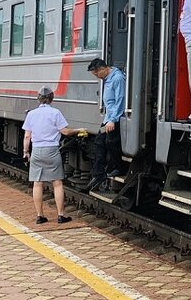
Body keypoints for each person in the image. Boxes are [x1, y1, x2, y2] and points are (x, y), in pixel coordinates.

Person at [22, 86, 83, 224]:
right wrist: (79, 130)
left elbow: (27, 136)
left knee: (37, 184)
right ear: (52, 99)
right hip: (52, 150)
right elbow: (65, 132)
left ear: (38, 99)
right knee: (57, 183)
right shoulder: (56, 113)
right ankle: (61, 215)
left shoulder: (31, 114)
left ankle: (40, 216)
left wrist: (26, 152)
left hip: (37, 150)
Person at [86, 58, 125, 191]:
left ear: (102, 69)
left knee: (111, 142)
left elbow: (120, 100)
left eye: (97, 74)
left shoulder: (117, 79)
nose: (97, 77)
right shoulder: (108, 79)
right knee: (99, 142)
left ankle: (117, 168)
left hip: (114, 119)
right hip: (108, 118)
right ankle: (98, 173)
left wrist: (113, 120)